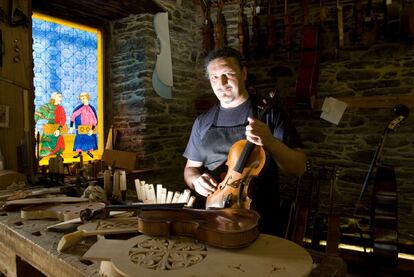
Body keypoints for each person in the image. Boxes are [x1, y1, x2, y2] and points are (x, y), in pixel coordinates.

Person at [183, 47, 307, 235]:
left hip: (259, 216)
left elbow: (299, 167)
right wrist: (196, 181)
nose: (221, 83)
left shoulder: (269, 113)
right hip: (211, 214)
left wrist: (270, 142)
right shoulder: (203, 121)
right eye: (214, 77)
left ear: (244, 73)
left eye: (228, 74)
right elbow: (190, 169)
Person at [34, 92, 66, 158]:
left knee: (58, 149)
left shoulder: (61, 108)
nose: (60, 98)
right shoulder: (48, 106)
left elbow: (63, 120)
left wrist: (58, 129)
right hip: (49, 130)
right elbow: (36, 115)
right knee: (46, 149)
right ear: (54, 97)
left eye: (61, 97)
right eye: (59, 97)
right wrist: (34, 127)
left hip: (58, 130)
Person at [70, 92, 98, 158]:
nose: (83, 100)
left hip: (89, 128)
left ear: (87, 98)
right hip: (81, 128)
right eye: (81, 99)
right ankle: (79, 152)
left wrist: (92, 129)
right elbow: (73, 116)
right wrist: (71, 127)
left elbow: (95, 120)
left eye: (84, 98)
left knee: (89, 139)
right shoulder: (80, 108)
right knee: (80, 139)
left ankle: (89, 151)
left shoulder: (91, 109)